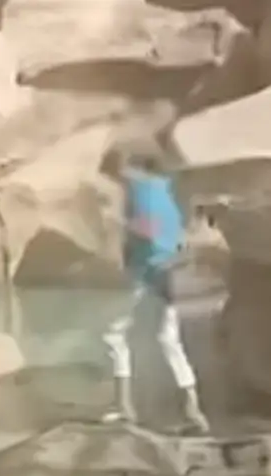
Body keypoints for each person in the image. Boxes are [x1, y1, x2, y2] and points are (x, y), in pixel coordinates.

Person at [99, 143, 209, 434]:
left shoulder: (137, 188)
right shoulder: (164, 186)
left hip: (149, 269)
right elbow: (172, 231)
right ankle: (192, 411)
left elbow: (147, 233)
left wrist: (124, 231)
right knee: (167, 339)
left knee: (114, 334)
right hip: (167, 268)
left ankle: (125, 409)